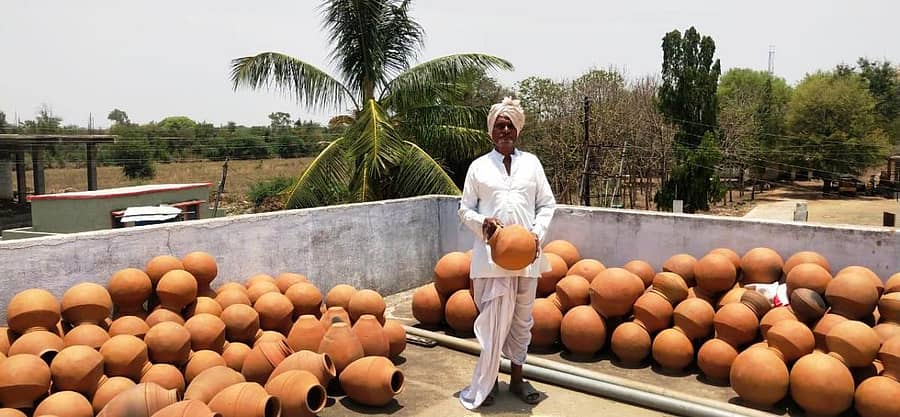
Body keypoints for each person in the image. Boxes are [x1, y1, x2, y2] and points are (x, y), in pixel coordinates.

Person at [457, 97, 556, 409]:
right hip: (490, 260)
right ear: (491, 132)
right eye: (499, 125)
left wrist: (536, 234)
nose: (504, 130)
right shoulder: (478, 167)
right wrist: (481, 223)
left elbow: (547, 204)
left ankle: (516, 378)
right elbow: (464, 209)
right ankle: (486, 381)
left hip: (527, 259)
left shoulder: (532, 164)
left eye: (509, 125)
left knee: (521, 321)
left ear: (517, 130)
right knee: (490, 320)